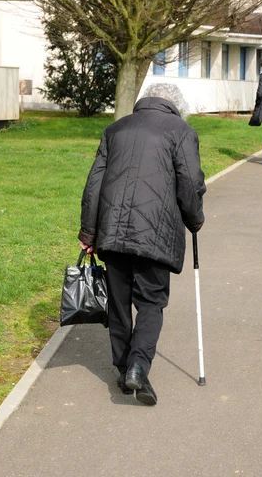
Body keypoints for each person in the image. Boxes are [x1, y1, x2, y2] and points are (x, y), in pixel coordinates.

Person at [78, 83, 206, 406]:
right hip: (156, 233)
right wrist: (196, 219)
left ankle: (123, 370)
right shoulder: (182, 131)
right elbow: (190, 184)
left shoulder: (115, 129)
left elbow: (94, 183)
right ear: (175, 106)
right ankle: (138, 365)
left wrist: (88, 233)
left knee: (118, 304)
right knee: (151, 302)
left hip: (113, 231)